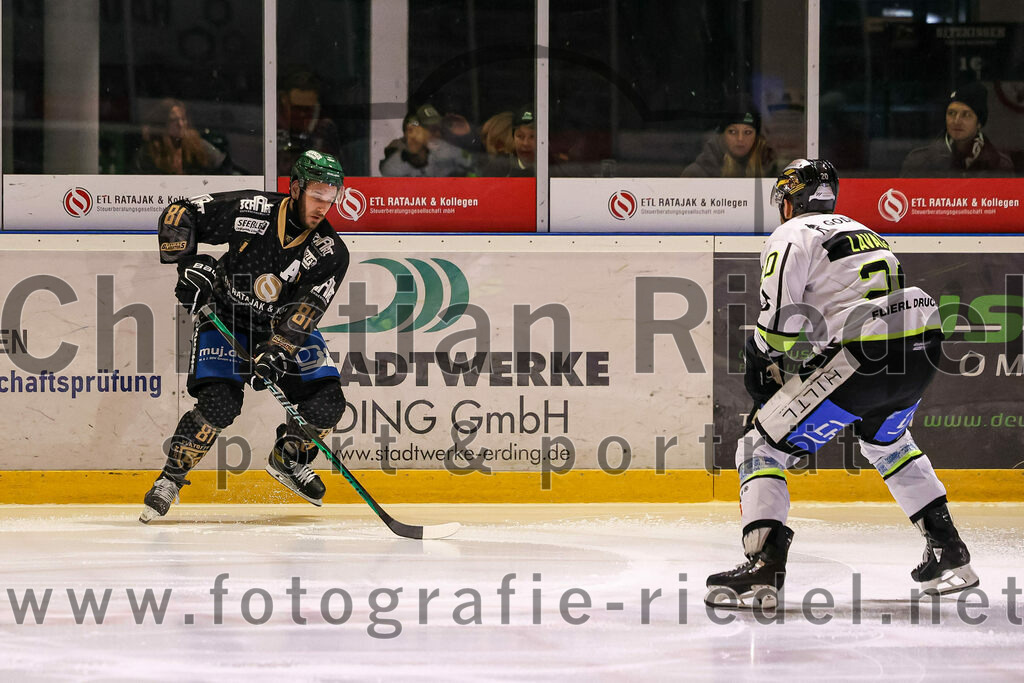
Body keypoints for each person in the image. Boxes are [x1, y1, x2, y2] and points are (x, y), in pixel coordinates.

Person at [706, 159, 978, 610]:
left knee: (760, 446)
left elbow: (778, 324)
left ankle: (763, 569)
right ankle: (950, 552)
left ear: (789, 199)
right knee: (887, 443)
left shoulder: (791, 234)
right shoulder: (866, 231)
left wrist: (760, 361)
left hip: (866, 354)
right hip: (921, 346)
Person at [141, 150, 350, 522]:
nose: (323, 207)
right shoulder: (252, 209)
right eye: (317, 195)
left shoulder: (331, 252)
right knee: (220, 405)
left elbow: (308, 310)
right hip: (225, 317)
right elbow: (179, 213)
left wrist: (277, 349)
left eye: (331, 198)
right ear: (296, 188)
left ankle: (288, 458)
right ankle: (170, 479)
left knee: (328, 403)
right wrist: (188, 266)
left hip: (280, 328)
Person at [901, 82, 1014, 177]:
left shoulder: (1000, 165)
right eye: (951, 113)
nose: (956, 121)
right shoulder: (919, 162)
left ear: (979, 123)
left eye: (966, 115)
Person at [135, 98, 229, 175]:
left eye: (183, 119)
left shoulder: (196, 144)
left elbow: (224, 165)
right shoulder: (150, 152)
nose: (180, 124)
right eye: (174, 120)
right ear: (163, 123)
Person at [379, 104, 475, 177]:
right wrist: (414, 154)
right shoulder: (399, 148)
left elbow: (470, 162)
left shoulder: (442, 147)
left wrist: (465, 135)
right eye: (429, 129)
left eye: (437, 127)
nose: (436, 133)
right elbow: (387, 171)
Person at [277, 69, 342, 177]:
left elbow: (333, 173)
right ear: (284, 100)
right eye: (296, 109)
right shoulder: (267, 125)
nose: (302, 115)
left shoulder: (324, 129)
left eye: (308, 110)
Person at [682, 106, 779, 178]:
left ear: (756, 137)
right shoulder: (696, 174)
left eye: (748, 132)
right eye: (732, 132)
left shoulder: (773, 174)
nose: (740, 138)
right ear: (722, 136)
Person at [482, 106, 536, 177]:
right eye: (520, 136)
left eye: (532, 136)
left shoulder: (552, 169)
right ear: (513, 137)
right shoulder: (498, 169)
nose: (525, 143)